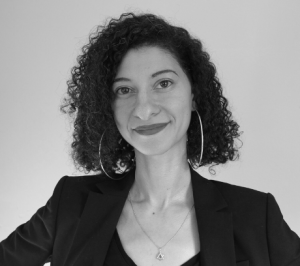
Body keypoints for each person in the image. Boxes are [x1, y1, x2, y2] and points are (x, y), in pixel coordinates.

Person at [0, 12, 299, 266]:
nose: (143, 109)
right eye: (124, 90)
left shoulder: (256, 215)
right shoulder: (71, 204)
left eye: (163, 83)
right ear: (108, 106)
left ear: (194, 95)